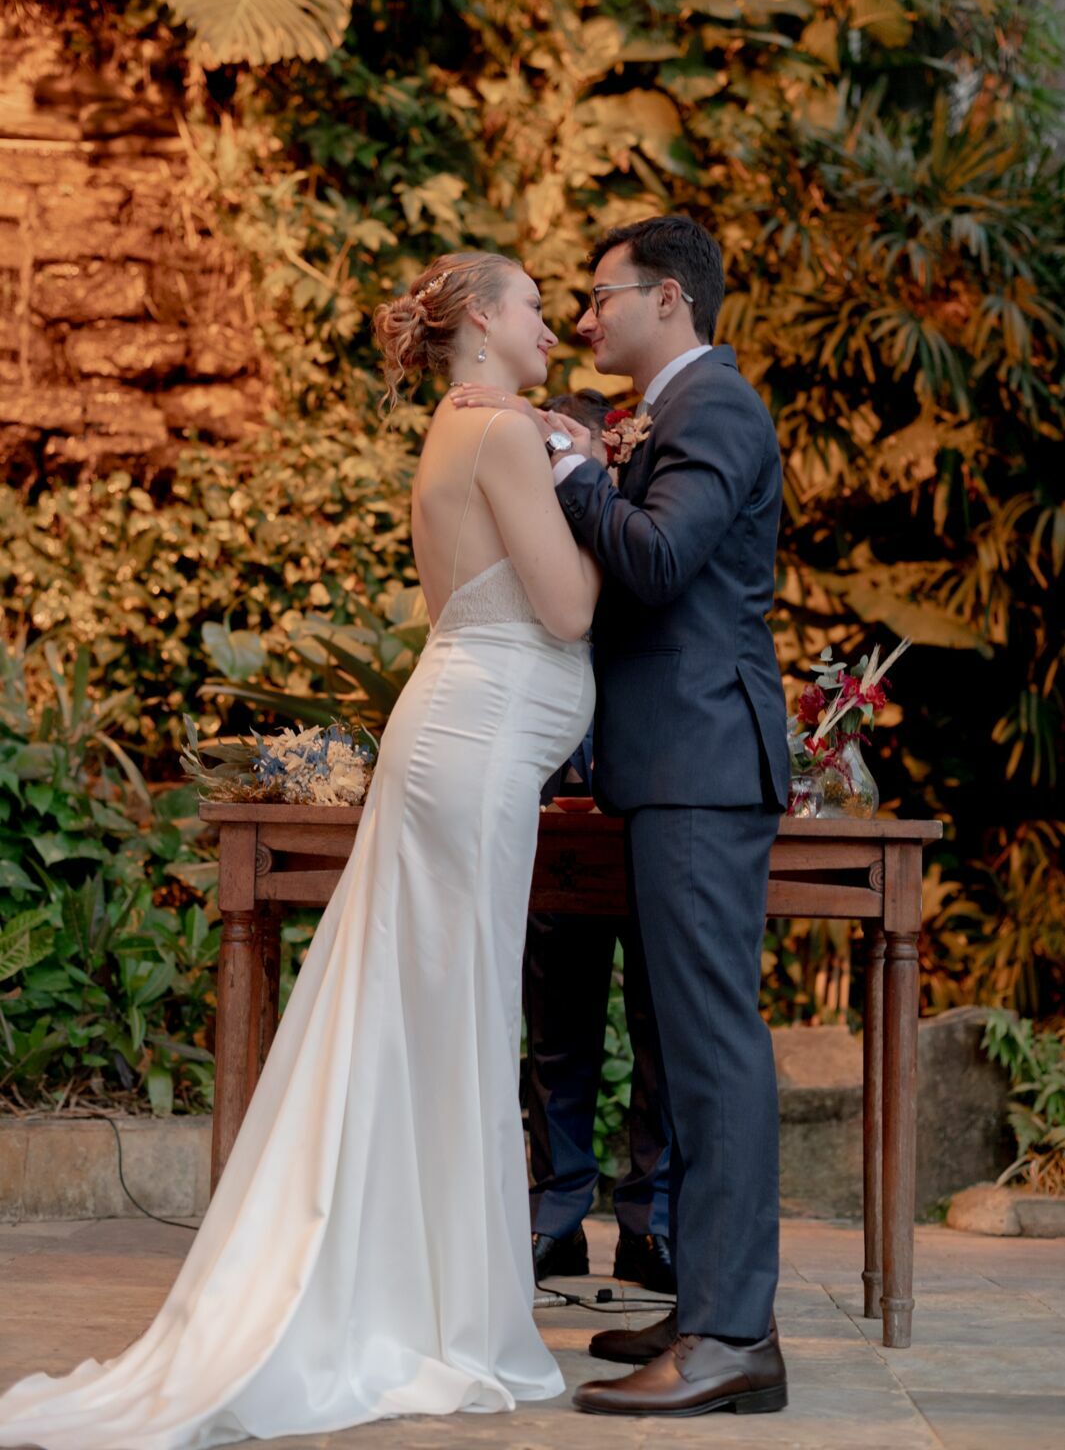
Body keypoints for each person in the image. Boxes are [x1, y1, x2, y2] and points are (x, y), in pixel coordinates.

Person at [0, 251, 601, 1449]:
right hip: (474, 745)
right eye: (536, 304)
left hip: (461, 733)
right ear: (484, 317)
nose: (553, 326)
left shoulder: (462, 425)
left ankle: (427, 1291)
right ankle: (430, 1312)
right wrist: (591, 482)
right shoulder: (505, 439)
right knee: (452, 1023)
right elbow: (573, 608)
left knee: (431, 1021)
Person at [451, 214, 790, 1419]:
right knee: (676, 1047)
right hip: (669, 765)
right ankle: (704, 1305)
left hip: (702, 762)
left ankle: (733, 1336)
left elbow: (651, 564)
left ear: (670, 302)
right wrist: (586, 455)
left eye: (602, 298)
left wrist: (576, 470)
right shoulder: (674, 413)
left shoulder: (720, 413)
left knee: (711, 1050)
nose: (585, 320)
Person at [523, 392, 674, 1294]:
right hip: (552, 805)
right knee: (555, 1027)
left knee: (660, 1023)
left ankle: (648, 1223)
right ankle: (556, 1215)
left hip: (650, 797)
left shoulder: (644, 531)